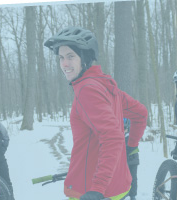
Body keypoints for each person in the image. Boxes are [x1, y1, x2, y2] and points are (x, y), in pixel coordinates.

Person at [43, 27, 148, 200]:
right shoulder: (106, 86)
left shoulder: (87, 89)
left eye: (70, 56)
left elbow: (112, 137)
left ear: (84, 58)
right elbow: (141, 113)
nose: (64, 64)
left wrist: (97, 189)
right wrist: (131, 146)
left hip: (91, 190)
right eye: (61, 58)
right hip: (119, 187)